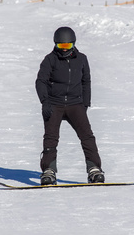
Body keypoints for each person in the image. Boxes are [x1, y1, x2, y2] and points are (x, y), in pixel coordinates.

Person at [35, 26, 104, 185]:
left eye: (67, 46)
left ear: (73, 44)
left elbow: (86, 81)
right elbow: (41, 81)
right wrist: (45, 101)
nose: (64, 50)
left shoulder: (82, 59)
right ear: (56, 45)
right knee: (51, 138)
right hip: (54, 104)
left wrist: (85, 103)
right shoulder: (49, 59)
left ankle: (94, 169)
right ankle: (48, 171)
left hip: (75, 104)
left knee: (87, 136)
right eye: (61, 46)